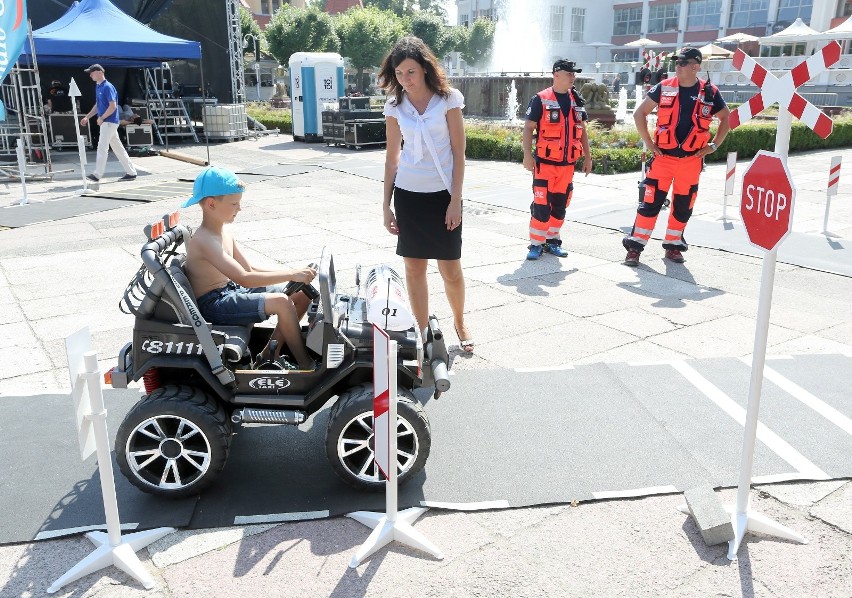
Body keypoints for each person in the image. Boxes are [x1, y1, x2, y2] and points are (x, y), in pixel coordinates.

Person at [379, 35, 473, 353]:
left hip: (443, 196)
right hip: (408, 195)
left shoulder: (448, 100)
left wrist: (455, 202)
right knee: (414, 267)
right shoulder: (394, 106)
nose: (405, 79)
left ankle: (460, 321)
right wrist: (385, 206)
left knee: (450, 268)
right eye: (400, 73)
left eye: (411, 72)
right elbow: (392, 158)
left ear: (425, 70)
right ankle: (422, 334)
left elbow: (459, 153)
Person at [182, 166, 318, 370]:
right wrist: (291, 274)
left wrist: (294, 274)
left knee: (301, 294)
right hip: (214, 304)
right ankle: (307, 367)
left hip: (230, 292)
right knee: (281, 301)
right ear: (211, 204)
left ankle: (268, 355)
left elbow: (249, 267)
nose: (239, 208)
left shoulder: (224, 231)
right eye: (234, 203)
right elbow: (245, 277)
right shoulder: (203, 240)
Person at [623, 47, 730, 266]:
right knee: (649, 203)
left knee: (683, 205)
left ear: (695, 66)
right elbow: (639, 113)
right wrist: (650, 143)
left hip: (691, 161)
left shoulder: (709, 92)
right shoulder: (663, 87)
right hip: (663, 159)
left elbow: (726, 119)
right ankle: (635, 247)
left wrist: (714, 146)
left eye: (682, 63)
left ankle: (673, 246)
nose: (677, 66)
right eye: (676, 63)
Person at [522, 59, 593, 260]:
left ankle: (553, 241)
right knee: (542, 206)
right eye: (569, 73)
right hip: (545, 165)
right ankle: (536, 244)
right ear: (556, 74)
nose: (573, 77)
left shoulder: (576, 100)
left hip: (567, 166)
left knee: (560, 205)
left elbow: (583, 131)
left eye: (574, 74)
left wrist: (588, 157)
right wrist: (527, 154)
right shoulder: (541, 99)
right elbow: (528, 128)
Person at [80, 64, 137, 183]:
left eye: (92, 72)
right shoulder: (99, 86)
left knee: (102, 147)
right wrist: (87, 117)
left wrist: (101, 118)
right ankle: (131, 172)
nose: (90, 75)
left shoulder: (107, 87)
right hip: (108, 122)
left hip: (109, 122)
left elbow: (113, 106)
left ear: (100, 72)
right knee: (118, 148)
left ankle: (97, 174)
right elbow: (98, 105)